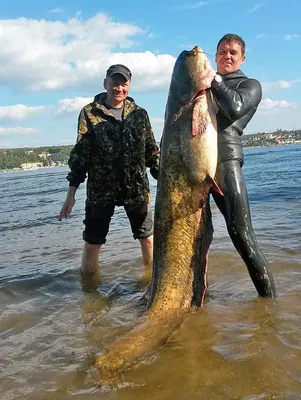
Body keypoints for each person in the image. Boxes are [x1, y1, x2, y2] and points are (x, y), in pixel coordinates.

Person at [58, 64, 160, 289]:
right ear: (105, 83)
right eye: (114, 83)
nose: (119, 88)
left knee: (148, 239)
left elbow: (152, 153)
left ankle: (151, 286)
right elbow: (81, 154)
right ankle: (89, 295)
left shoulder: (139, 114)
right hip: (101, 191)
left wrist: (166, 177)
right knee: (92, 243)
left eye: (123, 83)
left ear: (129, 85)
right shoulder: (89, 113)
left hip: (135, 188)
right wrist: (71, 194)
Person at [208, 33, 277, 297]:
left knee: (242, 236)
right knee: (196, 236)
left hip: (225, 162)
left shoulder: (250, 85)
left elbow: (234, 108)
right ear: (215, 56)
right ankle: (194, 298)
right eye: (222, 51)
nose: (227, 55)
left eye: (232, 52)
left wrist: (213, 80)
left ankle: (269, 302)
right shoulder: (205, 86)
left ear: (242, 58)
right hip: (197, 165)